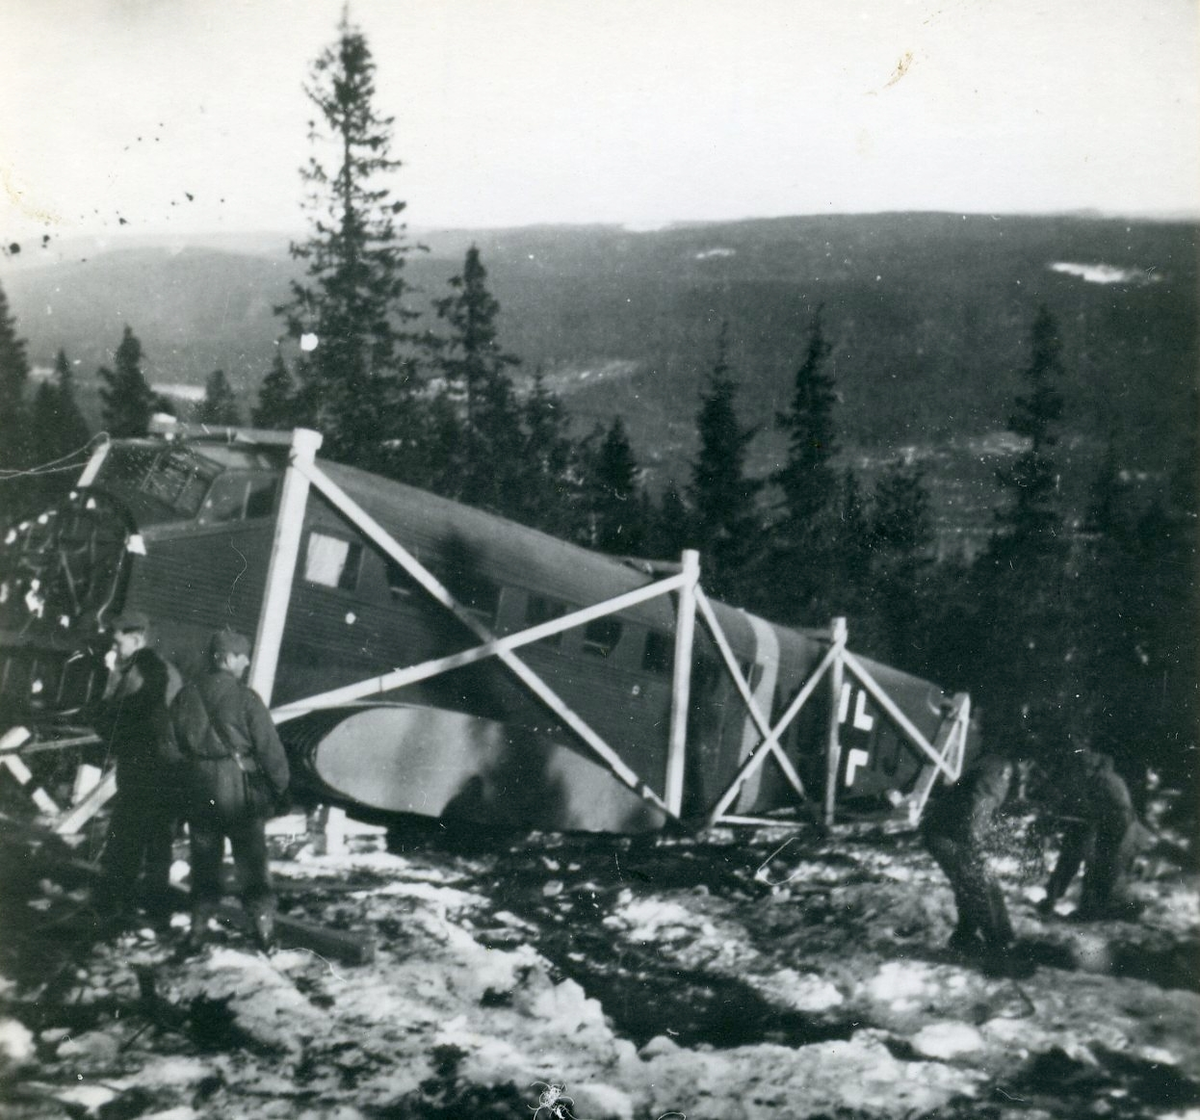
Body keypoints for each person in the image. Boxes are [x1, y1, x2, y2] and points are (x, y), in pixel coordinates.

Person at [169, 627, 289, 950]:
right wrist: (280, 788)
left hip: (198, 786)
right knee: (252, 862)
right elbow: (271, 751)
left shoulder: (184, 696)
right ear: (225, 658)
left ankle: (197, 930)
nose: (247, 662)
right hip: (237, 787)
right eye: (242, 656)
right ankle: (264, 932)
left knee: (204, 861)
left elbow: (170, 746)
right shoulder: (246, 699)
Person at [90, 609, 179, 933]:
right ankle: (152, 908)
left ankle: (117, 904)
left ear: (137, 639)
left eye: (119, 643)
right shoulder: (157, 669)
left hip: (147, 766)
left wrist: (103, 721)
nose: (115, 649)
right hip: (159, 766)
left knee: (129, 834)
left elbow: (130, 713)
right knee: (155, 840)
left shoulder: (144, 670)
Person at [921, 753, 1026, 974]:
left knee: (980, 883)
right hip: (947, 835)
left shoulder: (996, 763)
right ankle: (998, 952)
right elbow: (980, 805)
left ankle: (966, 937)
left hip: (949, 832)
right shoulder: (999, 771)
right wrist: (976, 842)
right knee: (979, 885)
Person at [1036, 748, 1148, 920]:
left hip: (1116, 829)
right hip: (1100, 825)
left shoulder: (1103, 781)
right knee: (1077, 859)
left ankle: (1096, 909)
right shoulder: (1097, 780)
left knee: (1099, 869)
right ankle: (1073, 903)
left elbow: (1112, 814)